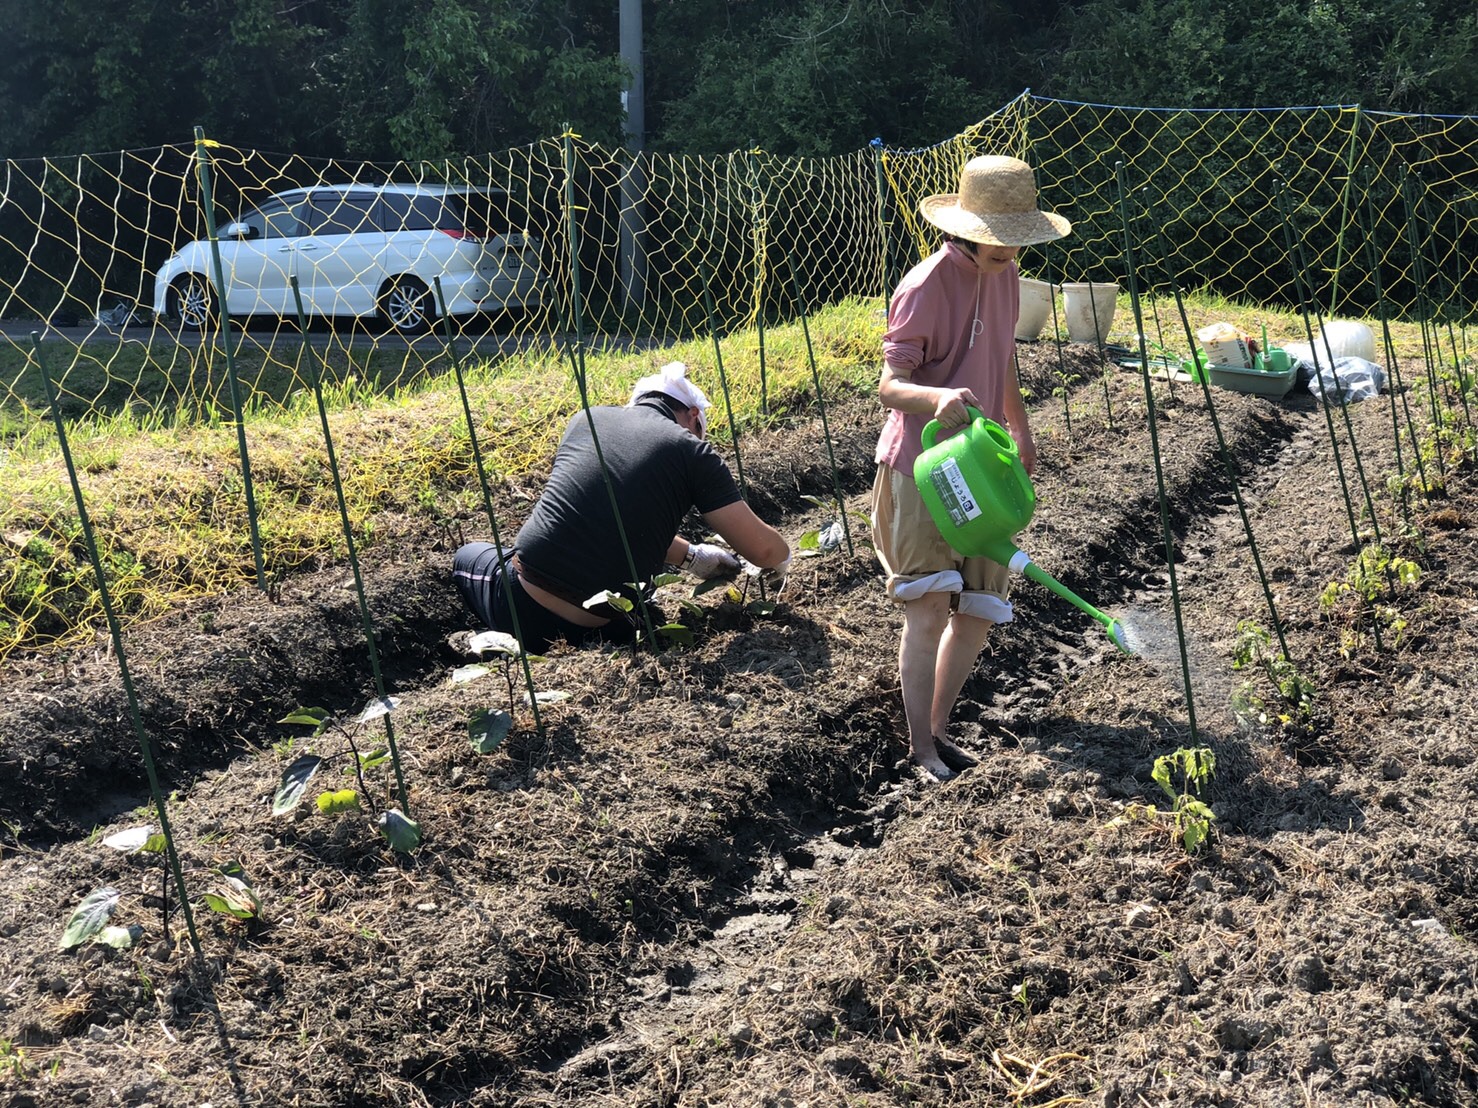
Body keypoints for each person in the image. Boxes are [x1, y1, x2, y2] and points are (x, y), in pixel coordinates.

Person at [871, 155, 1071, 781]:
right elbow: (889, 385)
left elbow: (1003, 357)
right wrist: (936, 398)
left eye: (1018, 247)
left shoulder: (1006, 275)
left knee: (980, 607)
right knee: (929, 606)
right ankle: (919, 748)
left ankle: (937, 726)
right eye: (1001, 247)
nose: (1012, 257)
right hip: (925, 470)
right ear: (965, 232)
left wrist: (1022, 428)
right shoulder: (925, 286)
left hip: (983, 467)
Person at [453, 361, 790, 653]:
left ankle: (491, 641)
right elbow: (763, 552)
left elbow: (598, 517)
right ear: (693, 415)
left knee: (467, 556)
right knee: (641, 604)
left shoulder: (585, 420)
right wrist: (784, 559)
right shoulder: (691, 452)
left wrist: (692, 557)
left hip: (523, 608)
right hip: (603, 624)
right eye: (700, 429)